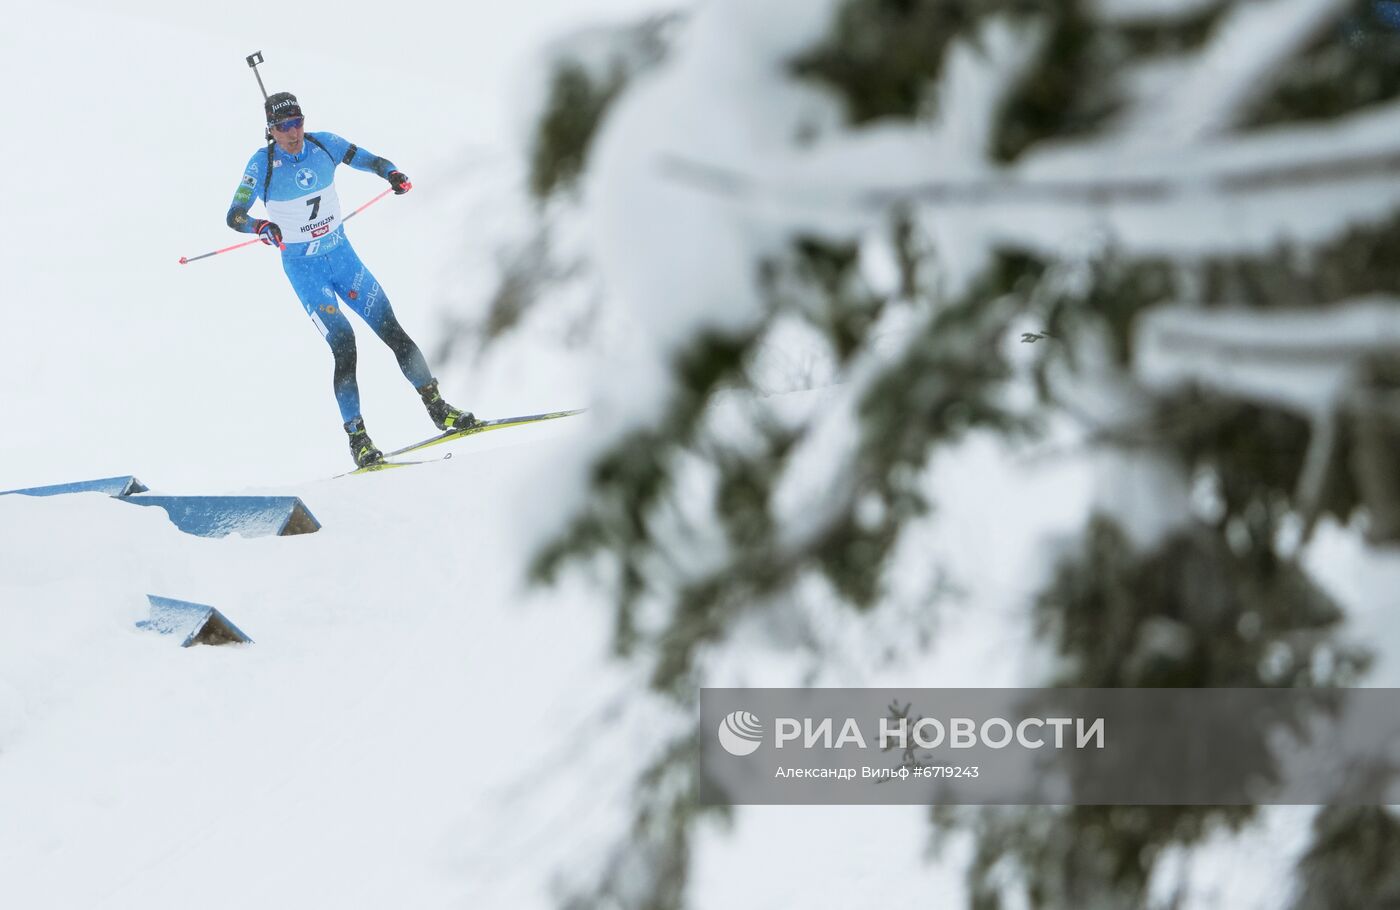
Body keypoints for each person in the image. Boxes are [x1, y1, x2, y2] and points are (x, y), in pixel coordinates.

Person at [226, 91, 474, 467]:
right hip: (305, 271)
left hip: (343, 259)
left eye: (297, 123)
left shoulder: (324, 144)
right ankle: (358, 440)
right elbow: (234, 215)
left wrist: (392, 174)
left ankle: (439, 408)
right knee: (345, 346)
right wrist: (260, 226)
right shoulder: (263, 164)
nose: (293, 133)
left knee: (393, 330)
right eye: (283, 127)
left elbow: (372, 160)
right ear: (271, 130)